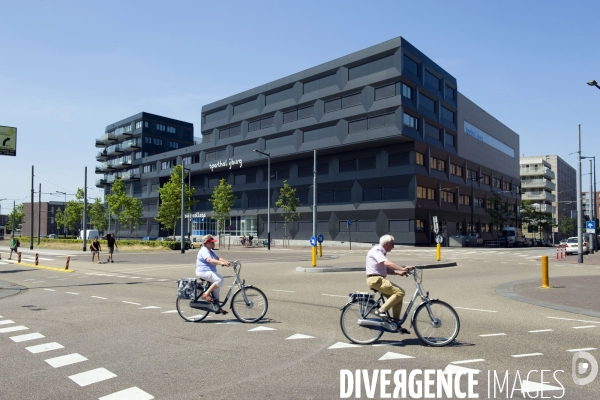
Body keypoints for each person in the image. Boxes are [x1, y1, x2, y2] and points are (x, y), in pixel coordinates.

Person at [365, 234, 413, 334]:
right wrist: (402, 268)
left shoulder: (381, 252)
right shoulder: (377, 250)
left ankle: (395, 324)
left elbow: (385, 269)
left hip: (378, 279)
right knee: (400, 292)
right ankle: (381, 310)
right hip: (375, 279)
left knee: (398, 299)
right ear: (386, 244)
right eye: (392, 244)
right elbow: (386, 263)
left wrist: (398, 272)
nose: (393, 247)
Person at [195, 234, 230, 315]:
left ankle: (217, 307)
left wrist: (227, 262)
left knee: (216, 288)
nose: (213, 244)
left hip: (210, 272)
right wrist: (222, 263)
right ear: (206, 243)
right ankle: (206, 294)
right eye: (211, 242)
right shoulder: (204, 250)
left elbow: (218, 258)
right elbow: (210, 260)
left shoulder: (211, 251)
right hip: (203, 272)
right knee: (220, 280)